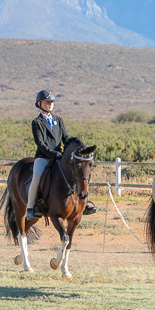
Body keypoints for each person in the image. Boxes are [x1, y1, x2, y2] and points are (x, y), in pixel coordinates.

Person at [26, 90, 97, 220]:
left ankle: (84, 203)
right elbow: (40, 143)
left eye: (51, 102)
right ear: (39, 103)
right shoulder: (37, 122)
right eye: (47, 102)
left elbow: (66, 138)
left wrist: (73, 149)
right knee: (36, 177)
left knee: (77, 172)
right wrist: (53, 153)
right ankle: (31, 207)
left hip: (60, 156)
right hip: (44, 157)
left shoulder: (58, 120)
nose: (50, 104)